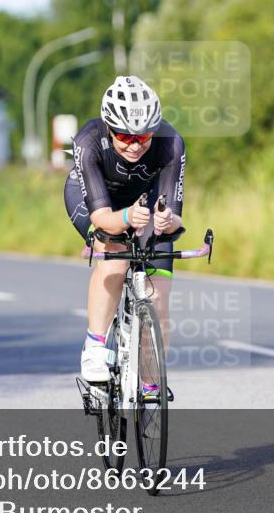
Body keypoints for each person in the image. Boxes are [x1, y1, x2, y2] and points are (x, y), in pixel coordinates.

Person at [63, 75, 186, 388]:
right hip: (96, 200)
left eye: (143, 137)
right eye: (125, 137)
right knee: (115, 252)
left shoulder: (170, 142)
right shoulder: (88, 140)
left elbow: (175, 222)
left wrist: (165, 220)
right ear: (108, 128)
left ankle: (149, 384)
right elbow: (104, 217)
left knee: (157, 294)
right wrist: (128, 217)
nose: (135, 145)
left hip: (143, 204)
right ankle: (95, 348)